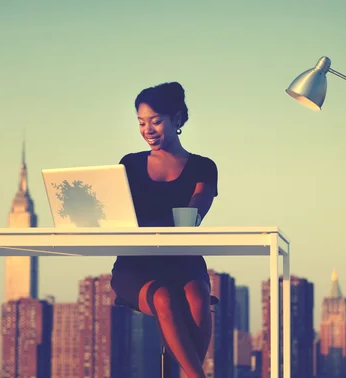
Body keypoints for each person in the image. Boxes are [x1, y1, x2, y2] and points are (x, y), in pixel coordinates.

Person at [110, 81, 219, 378]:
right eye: (141, 123)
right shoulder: (128, 165)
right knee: (164, 297)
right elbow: (115, 212)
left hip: (183, 262)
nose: (148, 130)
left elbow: (197, 209)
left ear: (178, 119)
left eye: (156, 121)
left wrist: (188, 215)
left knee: (198, 295)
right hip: (135, 266)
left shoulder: (203, 167)